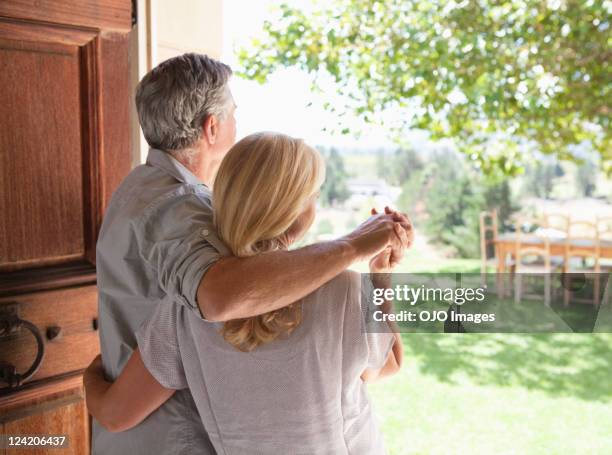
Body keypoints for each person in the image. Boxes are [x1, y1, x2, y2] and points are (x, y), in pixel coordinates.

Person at [93, 53, 412, 454]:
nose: (236, 123)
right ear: (212, 127)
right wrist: (362, 258)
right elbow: (219, 297)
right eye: (234, 113)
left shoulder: (137, 192)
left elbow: (118, 409)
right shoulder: (181, 209)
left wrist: (91, 378)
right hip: (174, 440)